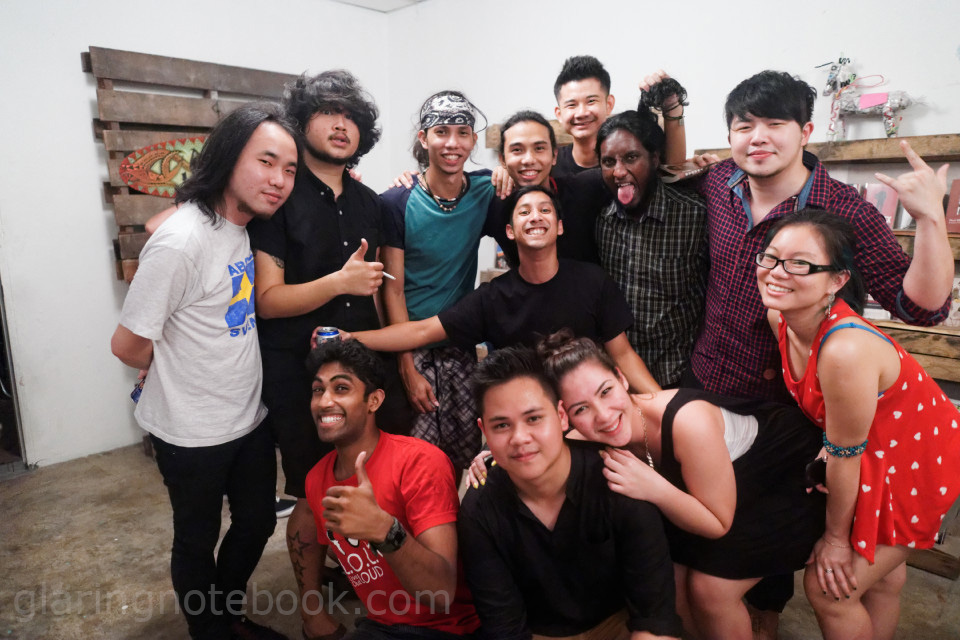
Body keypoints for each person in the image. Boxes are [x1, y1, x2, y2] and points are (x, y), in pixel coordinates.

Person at [659, 70, 954, 633]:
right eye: (744, 125)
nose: (758, 137)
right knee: (701, 523)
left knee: (770, 545)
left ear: (806, 131)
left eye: (775, 123)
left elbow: (920, 307)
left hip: (791, 411)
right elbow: (667, 173)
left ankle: (763, 617)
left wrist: (929, 219)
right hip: (712, 380)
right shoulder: (717, 182)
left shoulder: (844, 210)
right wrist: (670, 107)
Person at [480, 329, 822, 640]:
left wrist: (652, 486)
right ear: (564, 415)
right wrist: (493, 457)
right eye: (581, 408)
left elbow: (717, 523)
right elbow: (539, 442)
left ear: (621, 378)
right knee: (672, 580)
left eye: (606, 391)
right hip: (721, 491)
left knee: (710, 590)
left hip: (787, 476)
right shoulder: (584, 432)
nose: (603, 415)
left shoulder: (689, 423)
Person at [111, 102, 299, 640]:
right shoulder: (180, 242)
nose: (279, 180)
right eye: (266, 162)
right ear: (229, 157)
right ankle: (209, 631)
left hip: (247, 417)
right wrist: (173, 367)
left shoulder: (241, 226)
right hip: (191, 431)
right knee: (196, 540)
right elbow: (126, 345)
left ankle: (226, 614)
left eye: (289, 169)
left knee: (257, 522)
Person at [245, 69, 409, 639]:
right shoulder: (278, 202)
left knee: (373, 478)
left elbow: (387, 294)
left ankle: (378, 586)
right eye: (327, 113)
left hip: (368, 369)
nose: (341, 125)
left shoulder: (373, 204)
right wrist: (339, 282)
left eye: (352, 117)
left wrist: (404, 366)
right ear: (302, 122)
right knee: (311, 492)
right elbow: (267, 300)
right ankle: (312, 610)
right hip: (298, 374)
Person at [758, 208, 960, 640]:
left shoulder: (844, 349)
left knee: (829, 591)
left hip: (918, 461)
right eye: (771, 257)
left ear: (837, 280)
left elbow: (845, 452)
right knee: (882, 580)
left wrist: (835, 539)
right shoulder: (782, 318)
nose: (776, 272)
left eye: (800, 264)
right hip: (875, 450)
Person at [347, 185, 661, 395]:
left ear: (560, 226)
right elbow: (421, 331)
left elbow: (622, 354)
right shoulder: (493, 298)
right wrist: (350, 337)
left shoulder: (593, 281)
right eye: (524, 212)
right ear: (509, 231)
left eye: (545, 210)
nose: (535, 217)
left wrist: (663, 405)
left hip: (588, 411)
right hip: (525, 417)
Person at [459, 346, 682, 640]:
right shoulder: (479, 509)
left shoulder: (620, 480)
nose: (520, 438)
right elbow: (504, 627)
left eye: (534, 418)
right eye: (501, 425)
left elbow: (655, 617)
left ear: (562, 416)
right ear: (484, 432)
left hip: (621, 625)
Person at [303, 339, 479, 639]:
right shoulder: (316, 479)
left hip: (448, 629)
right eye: (318, 390)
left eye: (341, 388)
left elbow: (441, 594)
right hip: (380, 625)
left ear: (374, 401)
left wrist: (385, 531)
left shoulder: (420, 461)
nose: (324, 401)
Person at [380, 91, 493, 473]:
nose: (452, 143)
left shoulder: (486, 190)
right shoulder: (397, 201)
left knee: (463, 459)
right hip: (410, 347)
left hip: (459, 346)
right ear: (423, 137)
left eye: (462, 133)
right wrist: (406, 368)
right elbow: (392, 288)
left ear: (473, 140)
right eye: (441, 131)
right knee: (415, 463)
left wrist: (507, 172)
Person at [594, 109, 708, 387]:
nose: (619, 171)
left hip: (679, 376)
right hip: (618, 378)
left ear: (654, 158)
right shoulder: (600, 219)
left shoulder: (694, 214)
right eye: (608, 162)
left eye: (631, 157)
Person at [551, 55, 616, 176]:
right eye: (572, 105)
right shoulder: (549, 165)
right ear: (559, 114)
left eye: (591, 101)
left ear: (609, 104)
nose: (581, 113)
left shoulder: (626, 163)